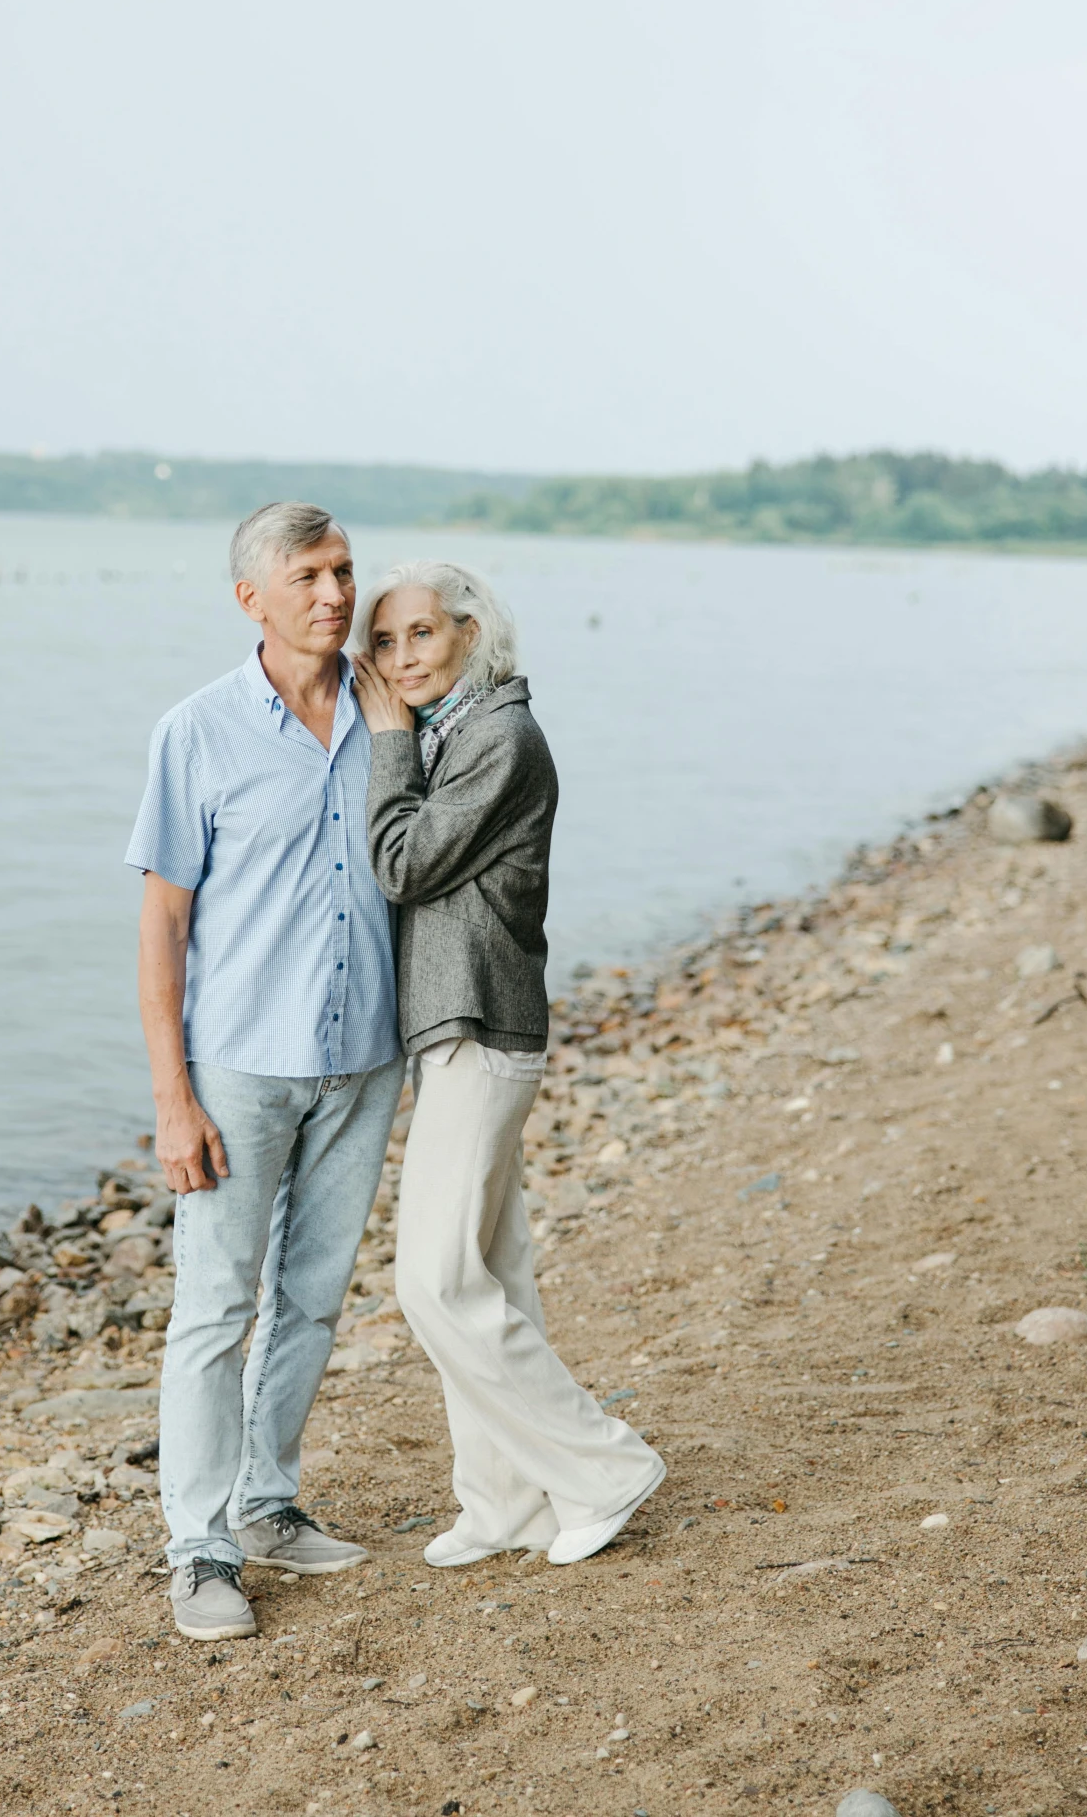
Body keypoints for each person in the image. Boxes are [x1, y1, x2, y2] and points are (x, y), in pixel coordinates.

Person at [126, 502, 406, 1642]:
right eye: (308, 575)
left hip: (365, 1060)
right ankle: (198, 1552)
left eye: (344, 569)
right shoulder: (195, 732)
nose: (336, 593)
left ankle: (268, 1502)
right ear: (252, 597)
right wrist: (171, 1097)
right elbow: (161, 929)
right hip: (239, 1066)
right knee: (211, 1312)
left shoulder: (394, 716)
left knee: (310, 1300)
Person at [352, 560, 665, 1567]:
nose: (400, 657)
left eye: (418, 634)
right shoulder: (465, 727)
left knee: (435, 1283)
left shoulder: (497, 736)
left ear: (472, 630)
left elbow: (401, 861)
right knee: (492, 1276)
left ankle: (606, 1465)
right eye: (386, 641)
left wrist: (387, 743)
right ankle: (503, 1504)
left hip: (483, 1027)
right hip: (464, 1027)